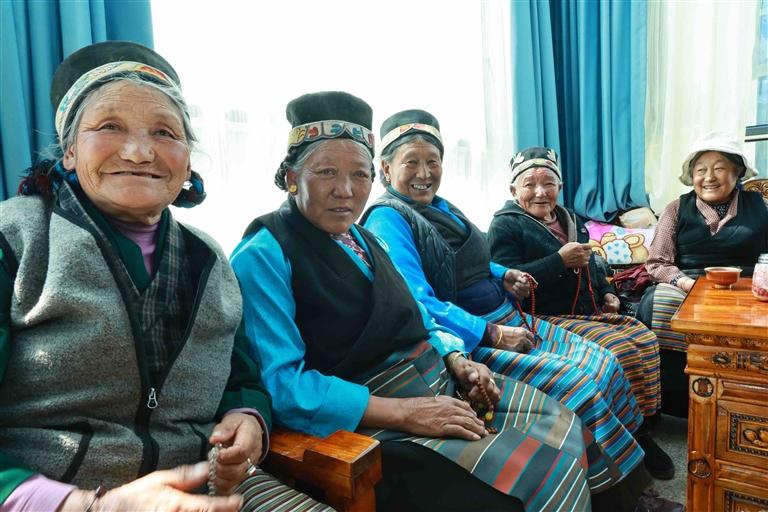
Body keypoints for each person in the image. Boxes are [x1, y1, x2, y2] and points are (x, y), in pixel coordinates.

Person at [231, 91, 616, 512]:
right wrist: (407, 413)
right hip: (373, 412)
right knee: (544, 473)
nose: (346, 191)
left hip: (436, 377)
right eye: (326, 172)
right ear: (291, 177)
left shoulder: (365, 239)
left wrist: (457, 359)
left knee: (564, 426)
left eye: (359, 174)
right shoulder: (264, 254)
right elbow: (284, 386)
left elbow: (417, 314)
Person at [0, 41, 328, 512]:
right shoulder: (16, 239)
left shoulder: (208, 258)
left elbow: (241, 374)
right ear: (69, 151)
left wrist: (247, 418)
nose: (138, 152)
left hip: (206, 486)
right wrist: (86, 505)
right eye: (109, 126)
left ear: (187, 159)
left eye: (164, 132)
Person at [361, 109, 687, 511]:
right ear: (385, 168)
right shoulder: (387, 219)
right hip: (476, 335)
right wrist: (492, 333)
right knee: (577, 385)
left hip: (510, 317)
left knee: (604, 362)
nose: (424, 173)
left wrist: (504, 273)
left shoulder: (442, 206)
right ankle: (621, 503)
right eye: (411, 162)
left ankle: (634, 465)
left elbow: (475, 259)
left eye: (433, 161)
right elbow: (417, 302)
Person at [486, 146, 672, 480]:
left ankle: (643, 424)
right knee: (618, 349)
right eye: (529, 184)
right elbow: (509, 281)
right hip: (545, 318)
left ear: (560, 186)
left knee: (643, 338)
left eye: (548, 183)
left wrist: (607, 292)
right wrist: (559, 261)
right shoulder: (506, 226)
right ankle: (631, 436)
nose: (540, 192)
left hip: (587, 311)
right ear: (514, 190)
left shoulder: (569, 218)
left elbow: (593, 263)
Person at [637, 132, 768, 416]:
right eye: (700, 170)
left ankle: (747, 401)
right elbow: (657, 262)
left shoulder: (760, 206)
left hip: (746, 291)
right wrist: (686, 283)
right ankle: (673, 401)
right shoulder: (676, 209)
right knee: (657, 303)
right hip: (688, 288)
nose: (709, 177)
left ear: (737, 172)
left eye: (719, 168)